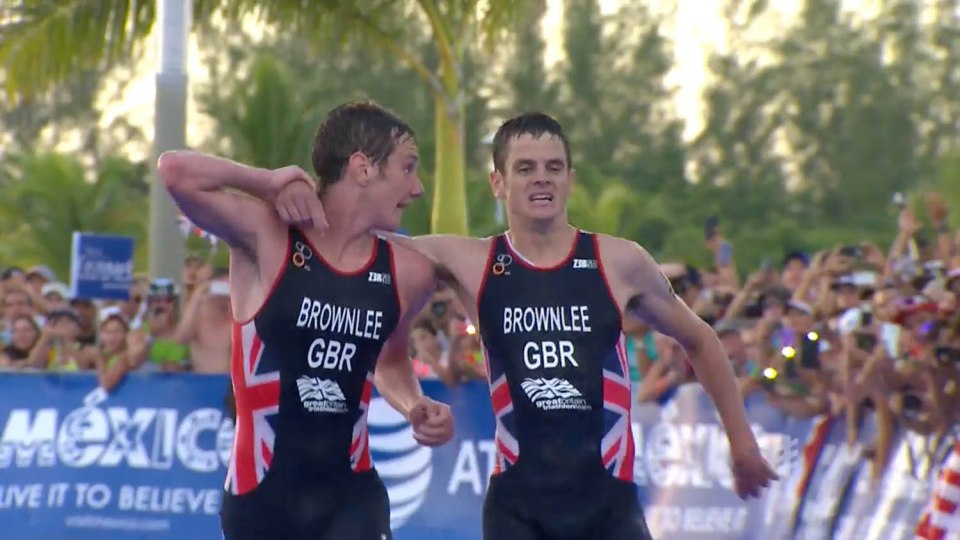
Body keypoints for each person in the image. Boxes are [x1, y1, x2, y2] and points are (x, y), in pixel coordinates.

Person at [278, 112, 777, 539]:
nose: (542, 179)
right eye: (525, 169)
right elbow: (349, 237)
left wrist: (742, 442)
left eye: (553, 168)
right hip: (518, 511)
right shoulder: (467, 262)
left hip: (608, 508)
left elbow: (701, 339)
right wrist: (287, 190)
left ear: (569, 179)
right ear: (498, 182)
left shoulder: (618, 261)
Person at [157, 100, 454, 540]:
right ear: (362, 167)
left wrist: (414, 404)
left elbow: (388, 360)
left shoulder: (408, 271)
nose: (418, 188)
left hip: (353, 499)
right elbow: (174, 172)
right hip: (263, 498)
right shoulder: (268, 234)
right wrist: (270, 181)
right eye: (407, 168)